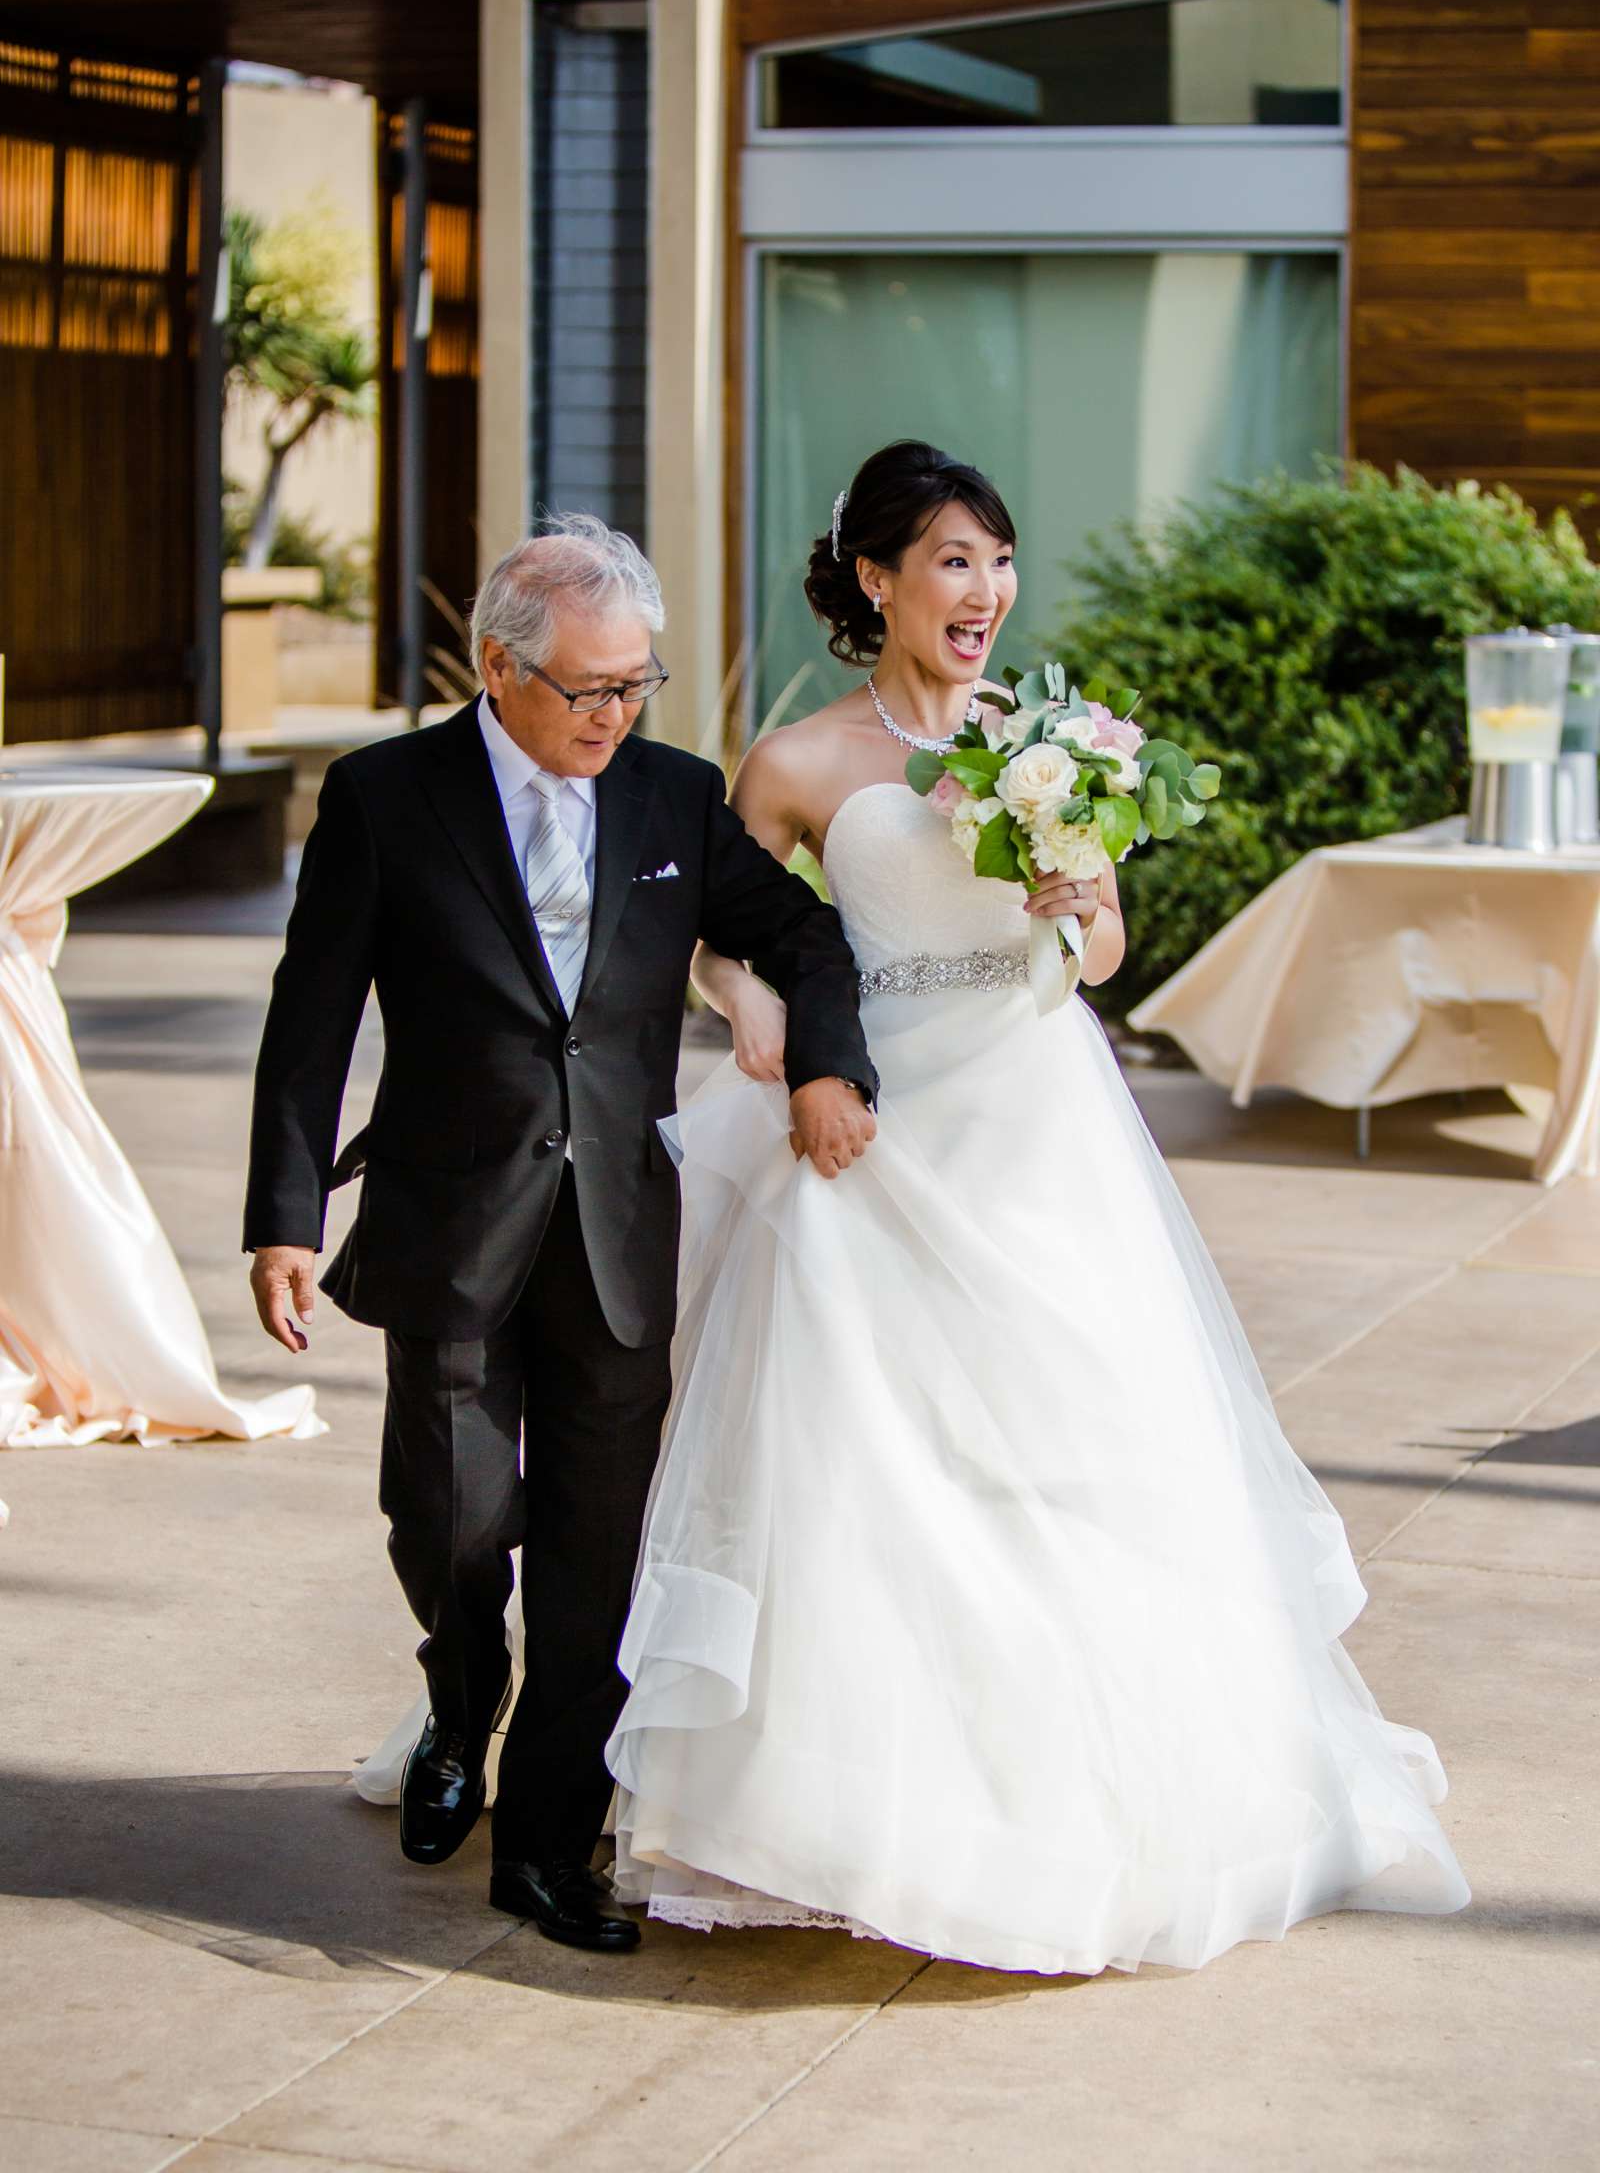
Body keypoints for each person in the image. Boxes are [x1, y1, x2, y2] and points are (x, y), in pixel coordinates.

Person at [605, 439, 1470, 1976]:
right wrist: (746, 1008)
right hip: (871, 1116)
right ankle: (833, 1814)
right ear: (875, 580)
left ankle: (1084, 1796)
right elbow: (724, 936)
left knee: (1083, 1436)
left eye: (997, 562)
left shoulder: (1057, 741)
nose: (984, 592)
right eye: (952, 561)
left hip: (1037, 1117)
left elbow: (1108, 946)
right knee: (857, 1449)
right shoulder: (802, 764)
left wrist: (1086, 912)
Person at [243, 515, 877, 1954]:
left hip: (614, 1231)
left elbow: (801, 934)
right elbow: (312, 1014)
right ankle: (458, 1708)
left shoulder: (669, 797)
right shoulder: (386, 797)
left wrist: (830, 1058)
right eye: (586, 688)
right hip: (448, 1218)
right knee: (455, 1523)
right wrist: (286, 1211)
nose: (612, 715)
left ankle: (542, 1848)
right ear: (496, 666)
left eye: (635, 685)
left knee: (596, 1550)